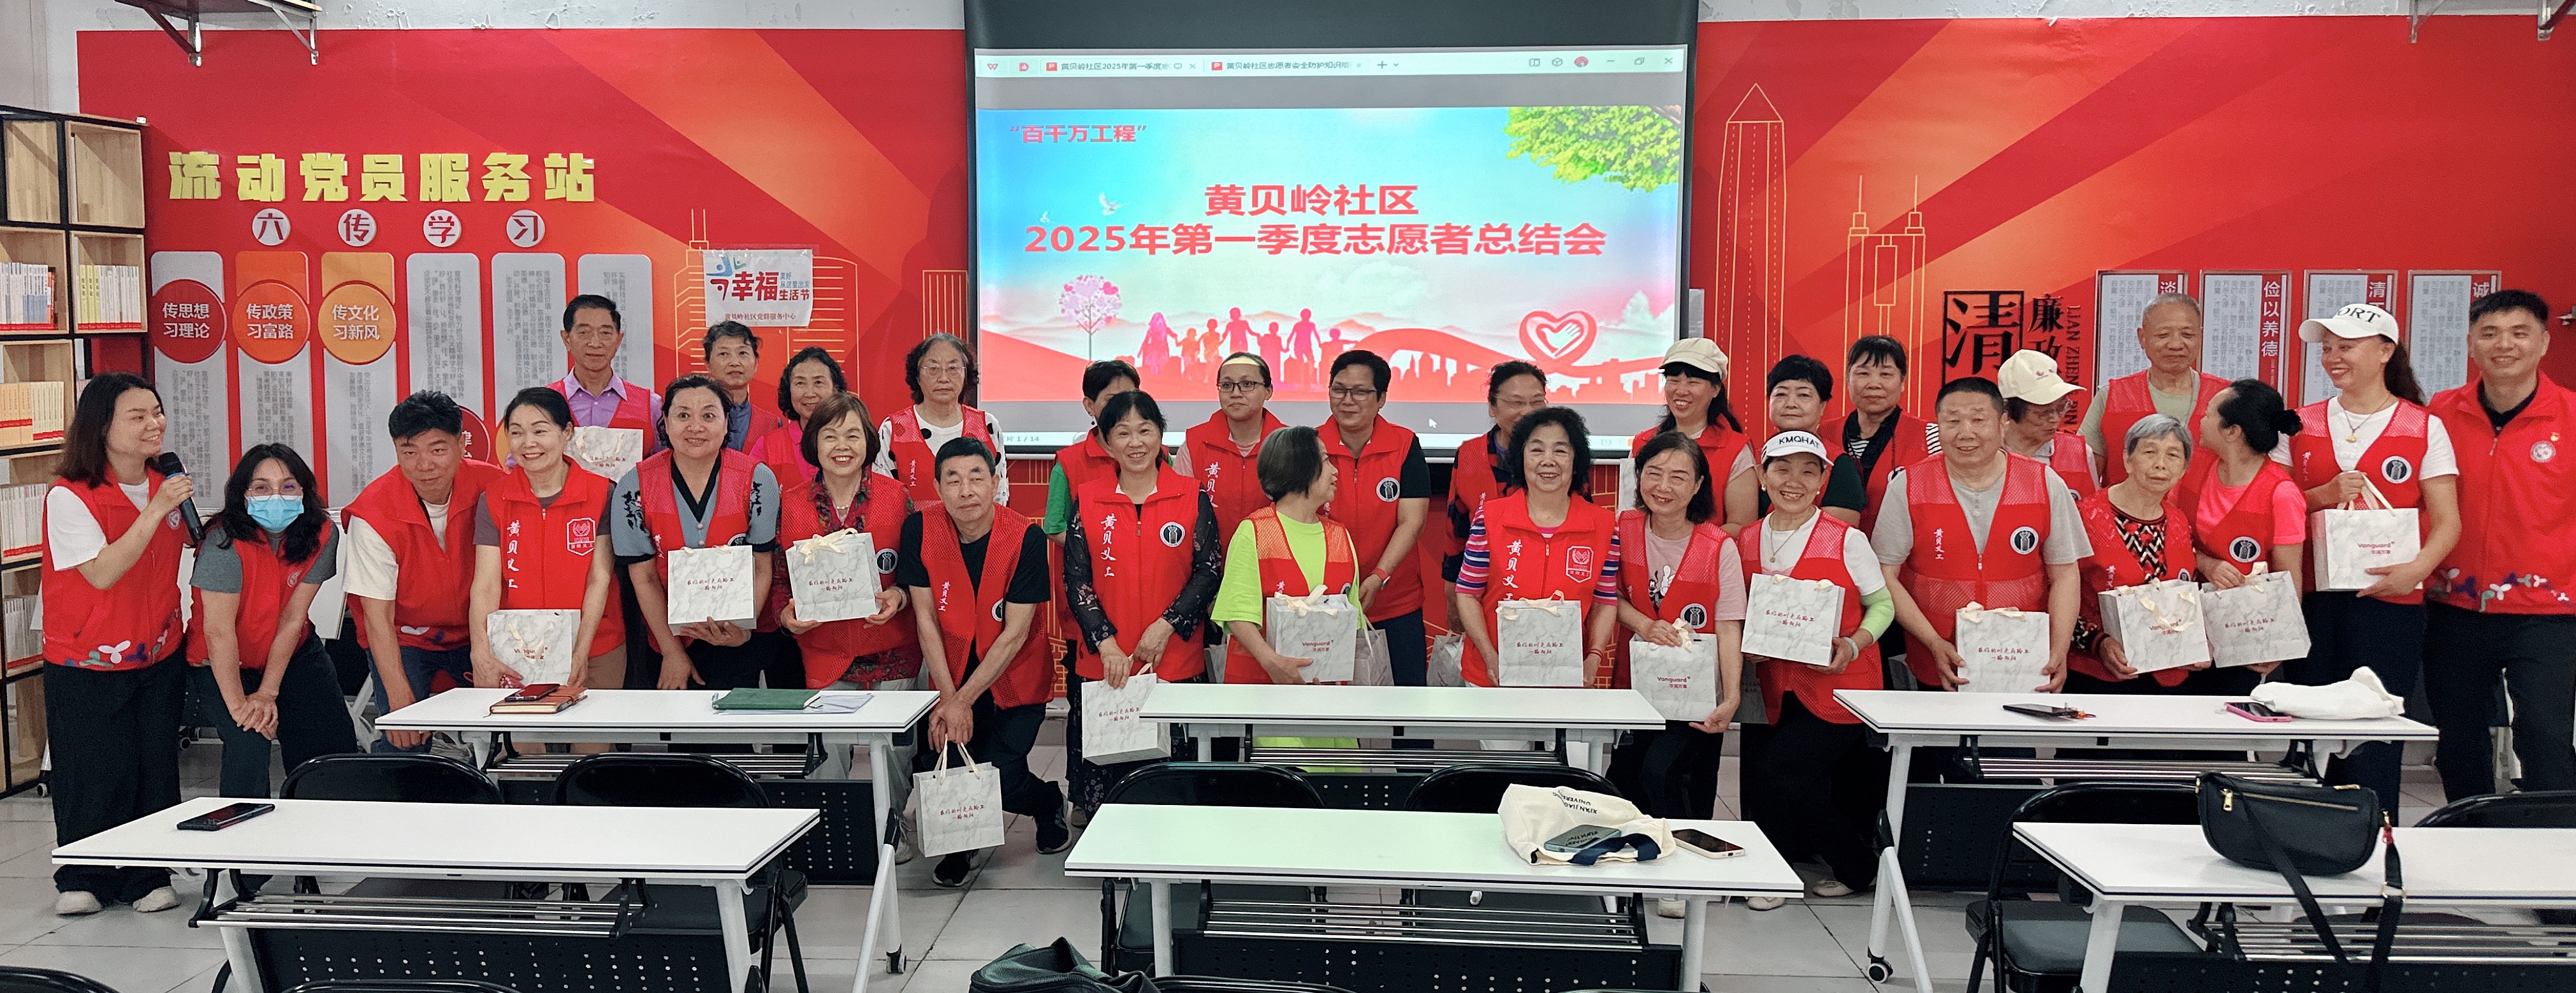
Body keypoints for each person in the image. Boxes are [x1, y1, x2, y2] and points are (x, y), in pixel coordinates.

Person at [2278, 303, 2460, 822]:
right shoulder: (2300, 423)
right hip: (2313, 599)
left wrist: (2413, 572)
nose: (2333, 357)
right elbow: (2275, 506)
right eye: (2327, 348)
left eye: (2346, 346)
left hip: (2390, 602)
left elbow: (2447, 521)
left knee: (2375, 729)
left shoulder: (2424, 426)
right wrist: (2323, 494)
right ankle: (2303, 834)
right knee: (2310, 722)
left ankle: (2374, 834)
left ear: (2384, 352)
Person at [42, 374, 191, 916]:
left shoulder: (166, 482)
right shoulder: (70, 494)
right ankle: (83, 876)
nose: (155, 424)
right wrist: (154, 511)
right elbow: (102, 572)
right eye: (138, 416)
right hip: (88, 658)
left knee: (154, 767)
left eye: (157, 412)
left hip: (159, 651)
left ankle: (147, 875)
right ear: (102, 426)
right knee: (93, 769)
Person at [2426, 289, 2576, 801]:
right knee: (2457, 737)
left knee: (2544, 735)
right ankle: (2470, 827)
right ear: (2471, 343)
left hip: (2548, 611)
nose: (2503, 345)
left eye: (2518, 333)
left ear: (2543, 343)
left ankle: (2550, 834)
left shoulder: (2570, 417)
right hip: (2454, 603)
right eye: (2489, 334)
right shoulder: (2441, 413)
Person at [900, 437, 1066, 887]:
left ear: (995, 483)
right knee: (951, 761)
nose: (966, 489)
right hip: (951, 675)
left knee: (1001, 776)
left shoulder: (1025, 537)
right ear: (938, 487)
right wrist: (948, 698)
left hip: (1014, 678)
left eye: (977, 477)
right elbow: (925, 618)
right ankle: (962, 843)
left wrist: (962, 703)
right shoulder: (919, 529)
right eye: (952, 479)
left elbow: (1015, 634)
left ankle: (1046, 802)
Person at [1741, 430, 1891, 908]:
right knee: (1785, 782)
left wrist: (1852, 645)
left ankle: (1782, 879)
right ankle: (1850, 867)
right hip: (1774, 686)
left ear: (1824, 479)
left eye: (1809, 471)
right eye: (1782, 469)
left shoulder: (1847, 539)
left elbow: (1882, 605)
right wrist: (1746, 646)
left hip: (1840, 686)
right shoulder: (1747, 539)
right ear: (1762, 476)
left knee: (1777, 774)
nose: (1795, 481)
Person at [1874, 377, 2092, 692]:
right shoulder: (1908, 485)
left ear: (2003, 423)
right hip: (1939, 659)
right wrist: (1933, 642)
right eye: (1952, 421)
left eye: (1978, 420)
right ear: (1938, 426)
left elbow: (2066, 574)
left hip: (2024, 658)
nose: (1966, 433)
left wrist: (2059, 647)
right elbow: (1886, 574)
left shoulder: (2044, 483)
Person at [1061, 391, 1221, 818]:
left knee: (1171, 789)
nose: (1135, 442)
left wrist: (1165, 625)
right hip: (1106, 664)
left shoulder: (1190, 495)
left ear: (1160, 435)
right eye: (1123, 433)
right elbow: (1076, 578)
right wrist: (1105, 643)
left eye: (1145, 430)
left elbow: (1208, 570)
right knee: (1108, 788)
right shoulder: (1089, 498)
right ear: (1107, 442)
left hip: (1172, 658)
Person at [187, 444, 354, 801]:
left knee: (331, 744)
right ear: (243, 494)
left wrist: (267, 693)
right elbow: (218, 632)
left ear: (304, 491)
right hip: (222, 660)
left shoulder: (322, 533)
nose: (276, 496)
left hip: (293, 653)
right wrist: (241, 707)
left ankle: (324, 828)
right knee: (249, 742)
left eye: (288, 486)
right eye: (261, 487)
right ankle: (242, 834)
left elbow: (293, 619)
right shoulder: (223, 541)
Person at [347, 391, 505, 751]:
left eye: (437, 449)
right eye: (409, 452)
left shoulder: (495, 487)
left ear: (462, 444)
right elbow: (377, 618)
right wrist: (400, 703)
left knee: (506, 732)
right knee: (404, 738)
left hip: (482, 632)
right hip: (406, 638)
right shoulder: (374, 512)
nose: (424, 465)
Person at [612, 375, 789, 692]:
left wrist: (742, 629)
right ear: (665, 423)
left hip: (737, 638)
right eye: (683, 415)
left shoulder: (757, 479)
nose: (695, 427)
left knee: (734, 721)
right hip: (666, 639)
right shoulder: (634, 486)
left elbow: (762, 565)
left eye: (708, 415)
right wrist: (672, 652)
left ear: (726, 423)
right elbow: (645, 578)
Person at [1607, 431, 1743, 836]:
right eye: (1654, 473)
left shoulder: (1719, 546)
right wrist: (1644, 625)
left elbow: (1728, 624)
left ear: (1698, 484)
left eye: (1678, 477)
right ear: (1639, 476)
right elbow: (1607, 596)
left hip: (1695, 695)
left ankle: (1687, 863)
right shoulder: (1624, 528)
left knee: (1667, 774)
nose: (1663, 486)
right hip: (1638, 688)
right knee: (1624, 784)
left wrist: (1731, 696)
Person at [469, 388, 625, 716]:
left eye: (540, 431)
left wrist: (580, 651)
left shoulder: (602, 493)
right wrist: (480, 650)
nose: (529, 443)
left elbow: (599, 578)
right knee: (527, 743)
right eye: (517, 433)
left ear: (566, 432)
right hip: (518, 651)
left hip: (597, 646)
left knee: (591, 742)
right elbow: (486, 585)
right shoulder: (494, 498)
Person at [2069, 415, 2250, 694]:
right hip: (2098, 677)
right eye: (2149, 452)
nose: (2160, 464)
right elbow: (2054, 595)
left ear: (2184, 468)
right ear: (2128, 460)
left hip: (2170, 678)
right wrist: (2098, 642)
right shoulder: (2084, 517)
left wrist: (2199, 640)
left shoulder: (2178, 522)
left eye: (2173, 455)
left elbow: (2184, 599)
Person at [1450, 407, 1621, 688]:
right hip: (1492, 675)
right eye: (1537, 450)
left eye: (1561, 451)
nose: (1548, 461)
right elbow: (1468, 594)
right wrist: (1489, 656)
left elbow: (1605, 600)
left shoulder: (1603, 525)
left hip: (1565, 675)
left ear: (1576, 461)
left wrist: (1593, 657)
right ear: (1521, 458)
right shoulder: (1490, 518)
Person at [777, 392, 916, 691]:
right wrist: (785, 617)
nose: (842, 446)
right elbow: (779, 579)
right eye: (830, 436)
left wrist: (899, 597)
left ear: (868, 441)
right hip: (824, 658)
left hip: (893, 658)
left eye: (853, 436)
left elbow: (914, 574)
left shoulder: (896, 496)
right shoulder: (791, 503)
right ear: (814, 443)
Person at [1213, 426, 1363, 685]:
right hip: (1258, 687)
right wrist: (1273, 663)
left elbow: (1351, 618)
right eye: (1326, 461)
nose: (1335, 471)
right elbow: (1237, 615)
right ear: (1300, 468)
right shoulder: (1254, 532)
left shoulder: (1340, 536)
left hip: (1325, 690)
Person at [1321, 350, 1435, 686]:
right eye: (1339, 390)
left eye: (1360, 392)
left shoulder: (1404, 444)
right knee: (1328, 704)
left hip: (1396, 599)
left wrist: (1379, 576)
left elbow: (1412, 521)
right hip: (1325, 601)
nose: (1348, 400)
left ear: (1381, 398)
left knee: (1407, 703)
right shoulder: (1311, 445)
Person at [2082, 293, 2229, 486]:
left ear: (2200, 337)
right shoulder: (2112, 396)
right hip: (2125, 506)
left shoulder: (2226, 398)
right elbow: (2084, 474)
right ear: (2142, 337)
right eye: (2163, 335)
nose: (2176, 345)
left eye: (2187, 335)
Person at [1444, 361, 1548, 596]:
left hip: (1549, 583)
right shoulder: (1470, 455)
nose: (1527, 412)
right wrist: (1452, 588)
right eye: (1516, 403)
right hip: (1484, 584)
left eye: (1536, 402)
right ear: (1492, 406)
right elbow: (1456, 529)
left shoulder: (1564, 457)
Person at [1631, 338, 1753, 529]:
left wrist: (1687, 544)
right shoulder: (1643, 442)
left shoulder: (1735, 449)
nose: (1681, 391)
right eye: (1674, 381)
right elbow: (1631, 513)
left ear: (1715, 389)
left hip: (1710, 549)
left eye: (1693, 382)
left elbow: (1741, 526)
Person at [879, 333, 1007, 507]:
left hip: (976, 525)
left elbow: (998, 497)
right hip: (913, 525)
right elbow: (884, 501)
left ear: (966, 374)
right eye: (933, 369)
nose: (944, 379)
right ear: (917, 376)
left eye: (953, 368)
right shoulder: (893, 430)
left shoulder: (987, 426)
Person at [1837, 335, 1941, 534]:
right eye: (1863, 373)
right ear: (1848, 379)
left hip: (1907, 552)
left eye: (1885, 374)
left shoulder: (1931, 438)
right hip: (1834, 550)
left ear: (1903, 382)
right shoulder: (1821, 435)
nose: (1874, 384)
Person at [1745, 354, 1867, 523]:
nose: (1791, 404)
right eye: (1781, 394)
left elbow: (1838, 533)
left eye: (1803, 395)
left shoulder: (1838, 464)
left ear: (1823, 406)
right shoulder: (1752, 459)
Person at [1180, 352, 1286, 541]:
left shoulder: (1288, 445)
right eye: (1227, 385)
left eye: (1247, 384)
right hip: (1209, 558)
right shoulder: (1195, 443)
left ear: (1268, 391)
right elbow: (1180, 511)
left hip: (1272, 556)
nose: (1236, 394)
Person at [550, 293, 662, 453]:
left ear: (619, 339)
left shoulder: (651, 405)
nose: (595, 343)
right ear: (566, 338)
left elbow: (666, 462)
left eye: (605, 333)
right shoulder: (542, 404)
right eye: (584, 332)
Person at [1998, 350, 2097, 496]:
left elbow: (2094, 507)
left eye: (2061, 408)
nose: (2055, 418)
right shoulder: (1985, 452)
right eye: (2043, 412)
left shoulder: (2079, 453)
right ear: (2009, 410)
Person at [748, 346, 847, 486]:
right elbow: (752, 495)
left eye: (818, 382)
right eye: (800, 383)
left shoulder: (852, 441)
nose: (810, 393)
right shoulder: (769, 447)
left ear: (835, 389)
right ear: (789, 391)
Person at [703, 321, 787, 452]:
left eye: (742, 353)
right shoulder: (696, 420)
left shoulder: (772, 424)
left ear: (756, 363)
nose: (734, 362)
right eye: (724, 354)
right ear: (708, 364)